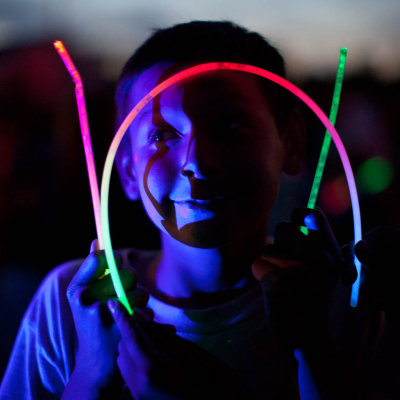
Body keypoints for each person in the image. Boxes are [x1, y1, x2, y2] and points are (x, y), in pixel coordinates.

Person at [0, 20, 395, 400]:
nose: (198, 162)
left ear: (291, 143)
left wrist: (315, 346)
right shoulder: (73, 307)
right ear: (126, 170)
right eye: (162, 134)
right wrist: (89, 376)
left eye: (231, 126)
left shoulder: (351, 301)